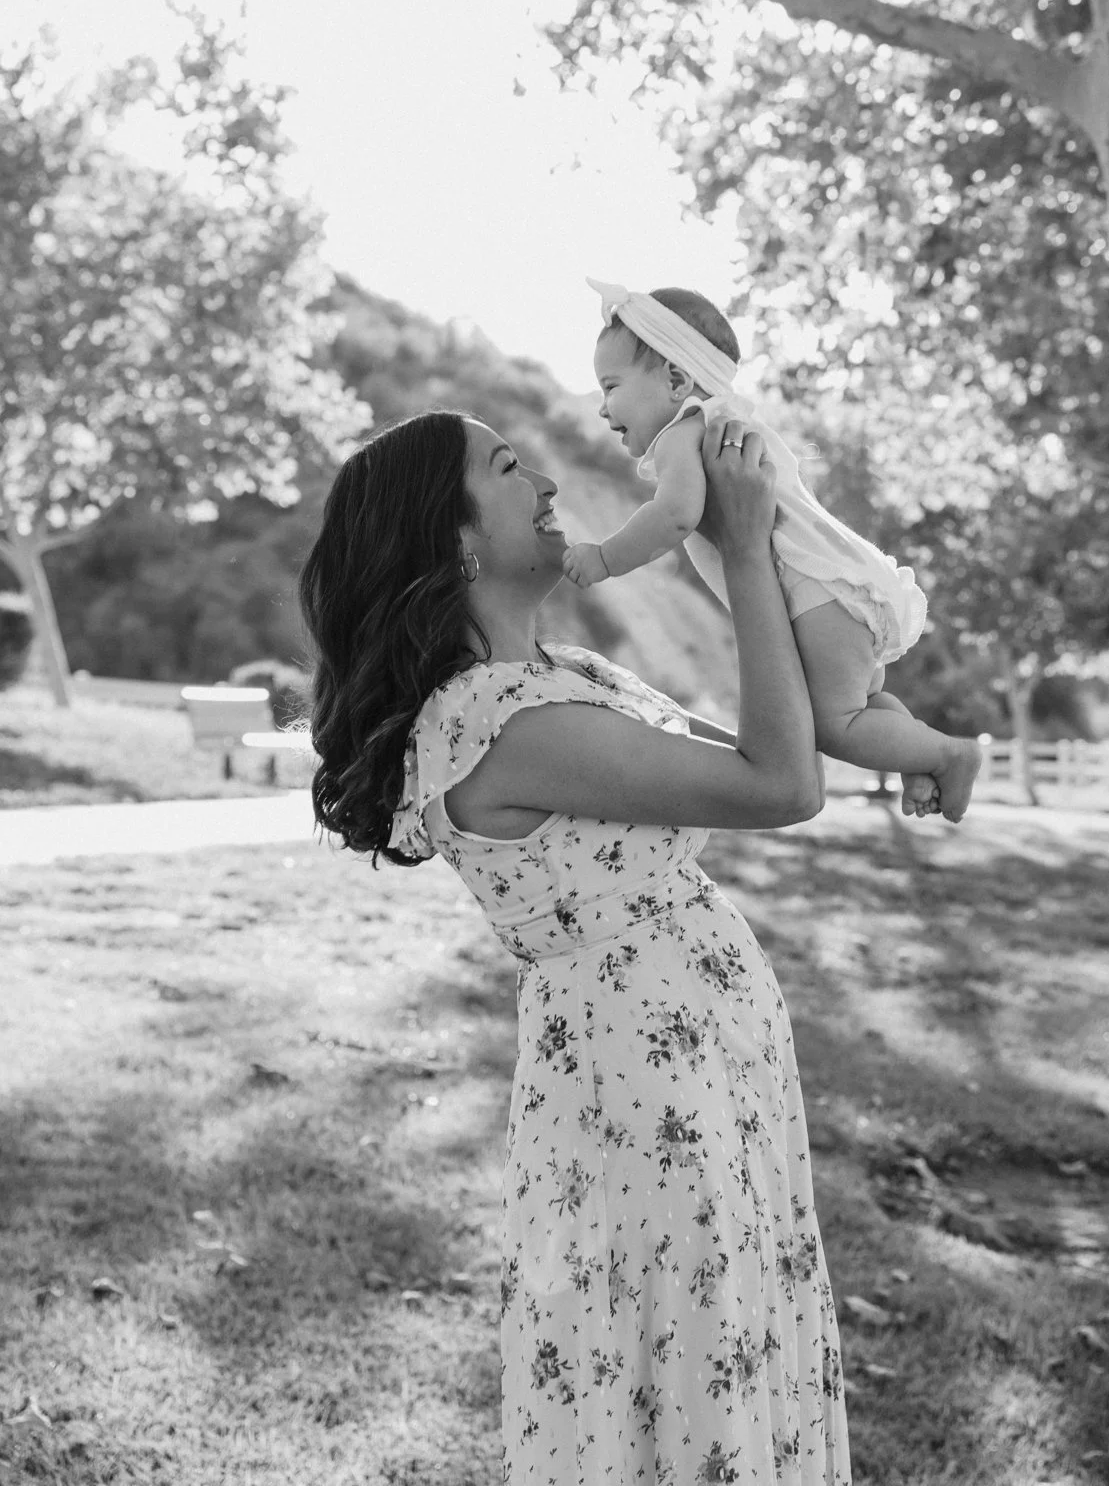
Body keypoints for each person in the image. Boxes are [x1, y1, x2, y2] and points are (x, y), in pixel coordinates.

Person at [300, 408, 926, 1484]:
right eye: (505, 466)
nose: (543, 475)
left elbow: (773, 737)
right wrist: (738, 544)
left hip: (702, 1066)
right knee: (685, 1351)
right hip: (644, 1086)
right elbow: (780, 783)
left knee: (729, 1330)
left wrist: (863, 689)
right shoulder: (502, 722)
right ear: (454, 541)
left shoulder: (566, 673)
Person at [563, 280, 980, 823]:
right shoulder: (723, 424)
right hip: (835, 586)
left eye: (611, 386)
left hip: (815, 591)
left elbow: (675, 514)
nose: (602, 408)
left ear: (675, 379)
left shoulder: (682, 432)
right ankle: (917, 754)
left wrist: (606, 557)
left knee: (835, 724)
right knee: (860, 702)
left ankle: (952, 753)